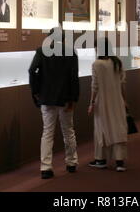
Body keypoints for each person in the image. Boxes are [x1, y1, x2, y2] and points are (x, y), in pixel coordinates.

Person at [28, 27, 80, 179]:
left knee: (47, 133)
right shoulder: (71, 53)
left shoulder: (41, 51)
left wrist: (36, 91)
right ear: (63, 39)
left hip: (47, 98)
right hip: (65, 99)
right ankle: (71, 163)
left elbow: (32, 71)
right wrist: (73, 98)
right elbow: (73, 78)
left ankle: (46, 167)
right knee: (68, 131)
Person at [88, 37, 128, 172]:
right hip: (117, 101)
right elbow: (123, 84)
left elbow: (95, 86)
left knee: (101, 130)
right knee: (118, 128)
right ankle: (120, 161)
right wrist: (124, 100)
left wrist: (91, 103)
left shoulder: (97, 64)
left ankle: (101, 159)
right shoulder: (118, 62)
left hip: (102, 101)